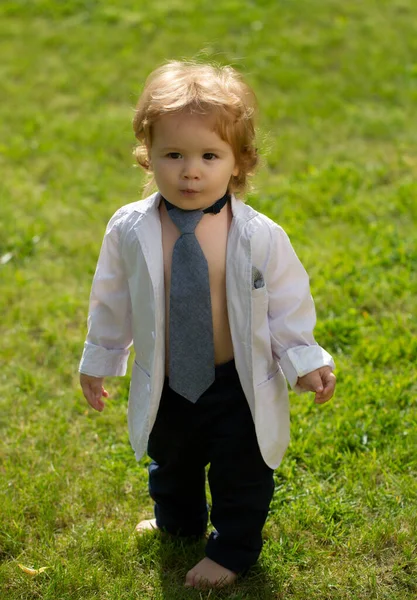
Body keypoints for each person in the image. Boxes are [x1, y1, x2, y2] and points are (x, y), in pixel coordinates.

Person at [79, 60, 336, 589]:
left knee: (242, 471)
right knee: (170, 459)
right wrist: (101, 360)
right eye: (173, 155)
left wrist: (305, 362)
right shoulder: (130, 229)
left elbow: (287, 305)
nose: (189, 171)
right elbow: (111, 298)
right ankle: (179, 521)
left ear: (239, 163)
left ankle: (233, 548)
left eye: (209, 156)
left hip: (237, 381)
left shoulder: (259, 236)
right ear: (148, 155)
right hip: (170, 377)